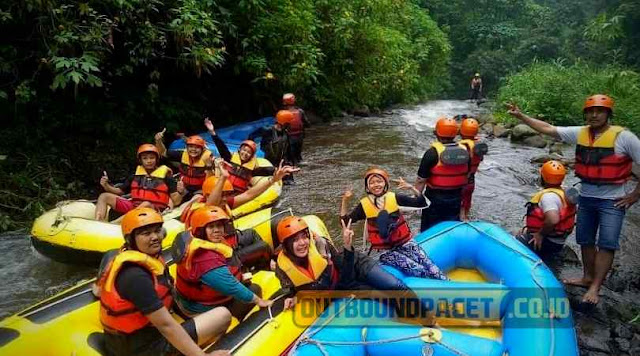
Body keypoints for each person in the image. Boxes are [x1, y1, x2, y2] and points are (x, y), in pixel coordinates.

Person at [507, 94, 640, 304]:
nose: (594, 115)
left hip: (612, 200)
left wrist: (633, 196)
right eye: (590, 111)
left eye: (599, 111)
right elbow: (548, 129)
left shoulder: (624, 137)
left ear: (608, 114)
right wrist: (521, 116)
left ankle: (595, 287)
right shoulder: (581, 133)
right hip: (586, 197)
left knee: (607, 243)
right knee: (585, 240)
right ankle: (587, 277)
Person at [94, 207, 231, 356]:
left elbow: (101, 289)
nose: (155, 237)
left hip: (137, 339)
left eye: (157, 231)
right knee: (222, 315)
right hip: (143, 349)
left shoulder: (141, 260)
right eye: (146, 233)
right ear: (131, 239)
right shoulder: (135, 277)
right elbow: (166, 325)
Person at [274, 215, 436, 325]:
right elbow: (293, 287)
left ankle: (429, 320)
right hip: (343, 285)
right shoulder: (283, 267)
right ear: (286, 245)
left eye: (304, 236)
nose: (302, 243)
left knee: (395, 287)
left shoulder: (321, 246)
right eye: (295, 240)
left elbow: (346, 270)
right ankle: (405, 315)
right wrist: (293, 296)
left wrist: (346, 245)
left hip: (355, 265)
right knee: (383, 297)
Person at [341, 168, 447, 280]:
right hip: (385, 251)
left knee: (431, 267)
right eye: (371, 182)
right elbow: (346, 221)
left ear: (385, 183)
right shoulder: (364, 205)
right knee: (418, 269)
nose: (376, 185)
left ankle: (447, 283)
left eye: (379, 181)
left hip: (405, 243)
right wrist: (344, 201)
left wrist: (411, 188)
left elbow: (422, 203)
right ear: (367, 187)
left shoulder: (394, 197)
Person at [172, 206, 273, 321]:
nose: (217, 230)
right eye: (211, 227)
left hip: (193, 298)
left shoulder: (209, 243)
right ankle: (236, 323)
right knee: (255, 289)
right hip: (198, 308)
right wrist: (260, 301)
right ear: (201, 230)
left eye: (219, 226)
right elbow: (232, 287)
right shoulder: (204, 258)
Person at [179, 160, 298, 229]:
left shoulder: (225, 204)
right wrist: (223, 177)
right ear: (207, 196)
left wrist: (273, 179)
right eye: (222, 195)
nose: (225, 198)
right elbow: (210, 206)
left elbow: (249, 195)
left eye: (227, 194)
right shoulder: (200, 212)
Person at [95, 144, 183, 221]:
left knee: (146, 204)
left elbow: (176, 201)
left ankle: (115, 224)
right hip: (134, 207)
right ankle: (98, 221)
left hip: (154, 210)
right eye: (145, 158)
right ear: (140, 160)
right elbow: (119, 191)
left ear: (157, 159)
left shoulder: (167, 177)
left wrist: (180, 191)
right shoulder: (135, 176)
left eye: (152, 158)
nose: (149, 161)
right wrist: (106, 186)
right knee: (104, 196)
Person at [414, 117, 470, 231]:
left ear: (437, 133)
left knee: (429, 229)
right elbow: (467, 175)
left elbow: (421, 180)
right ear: (455, 133)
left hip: (434, 198)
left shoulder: (432, 153)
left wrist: (416, 199)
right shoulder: (465, 152)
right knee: (451, 228)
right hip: (456, 197)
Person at [516, 160, 577, 261]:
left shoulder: (548, 197)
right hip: (558, 241)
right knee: (520, 232)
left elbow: (553, 219)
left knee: (515, 241)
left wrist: (540, 234)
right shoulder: (563, 194)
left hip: (547, 242)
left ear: (543, 178)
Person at [205, 118, 275, 193]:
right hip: (224, 190)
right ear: (239, 150)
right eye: (244, 150)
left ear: (251, 156)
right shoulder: (229, 158)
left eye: (248, 152)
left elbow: (266, 170)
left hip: (238, 194)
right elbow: (221, 147)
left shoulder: (253, 168)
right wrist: (212, 132)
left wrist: (277, 170)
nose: (245, 153)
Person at [155, 124, 214, 202]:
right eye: (191, 147)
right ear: (187, 147)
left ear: (202, 149)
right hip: (184, 188)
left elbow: (210, 180)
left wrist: (209, 166)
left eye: (197, 147)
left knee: (195, 199)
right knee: (171, 199)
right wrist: (158, 141)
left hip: (199, 191)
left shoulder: (208, 158)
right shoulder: (182, 154)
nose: (193, 149)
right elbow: (163, 152)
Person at [458, 118, 488, 220]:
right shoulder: (479, 148)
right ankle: (466, 219)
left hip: (459, 183)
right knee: (466, 205)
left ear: (461, 130)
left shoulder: (459, 147)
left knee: (458, 208)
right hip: (471, 181)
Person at [281, 93, 311, 165]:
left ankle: (292, 163)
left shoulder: (283, 113)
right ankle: (299, 161)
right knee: (298, 151)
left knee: (290, 152)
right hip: (300, 135)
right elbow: (307, 124)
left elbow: (280, 126)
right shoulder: (300, 111)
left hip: (289, 136)